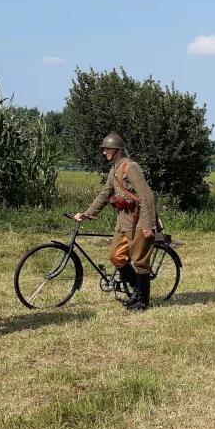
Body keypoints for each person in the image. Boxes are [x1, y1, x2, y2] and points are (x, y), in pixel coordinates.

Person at [76, 133, 158, 311]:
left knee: (140, 261)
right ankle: (137, 290)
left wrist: (147, 224)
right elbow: (106, 194)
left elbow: (147, 196)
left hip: (138, 221)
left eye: (107, 149)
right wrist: (88, 213)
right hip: (124, 221)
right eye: (104, 149)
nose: (104, 152)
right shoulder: (115, 168)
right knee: (116, 256)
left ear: (117, 150)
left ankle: (143, 301)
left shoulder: (131, 167)